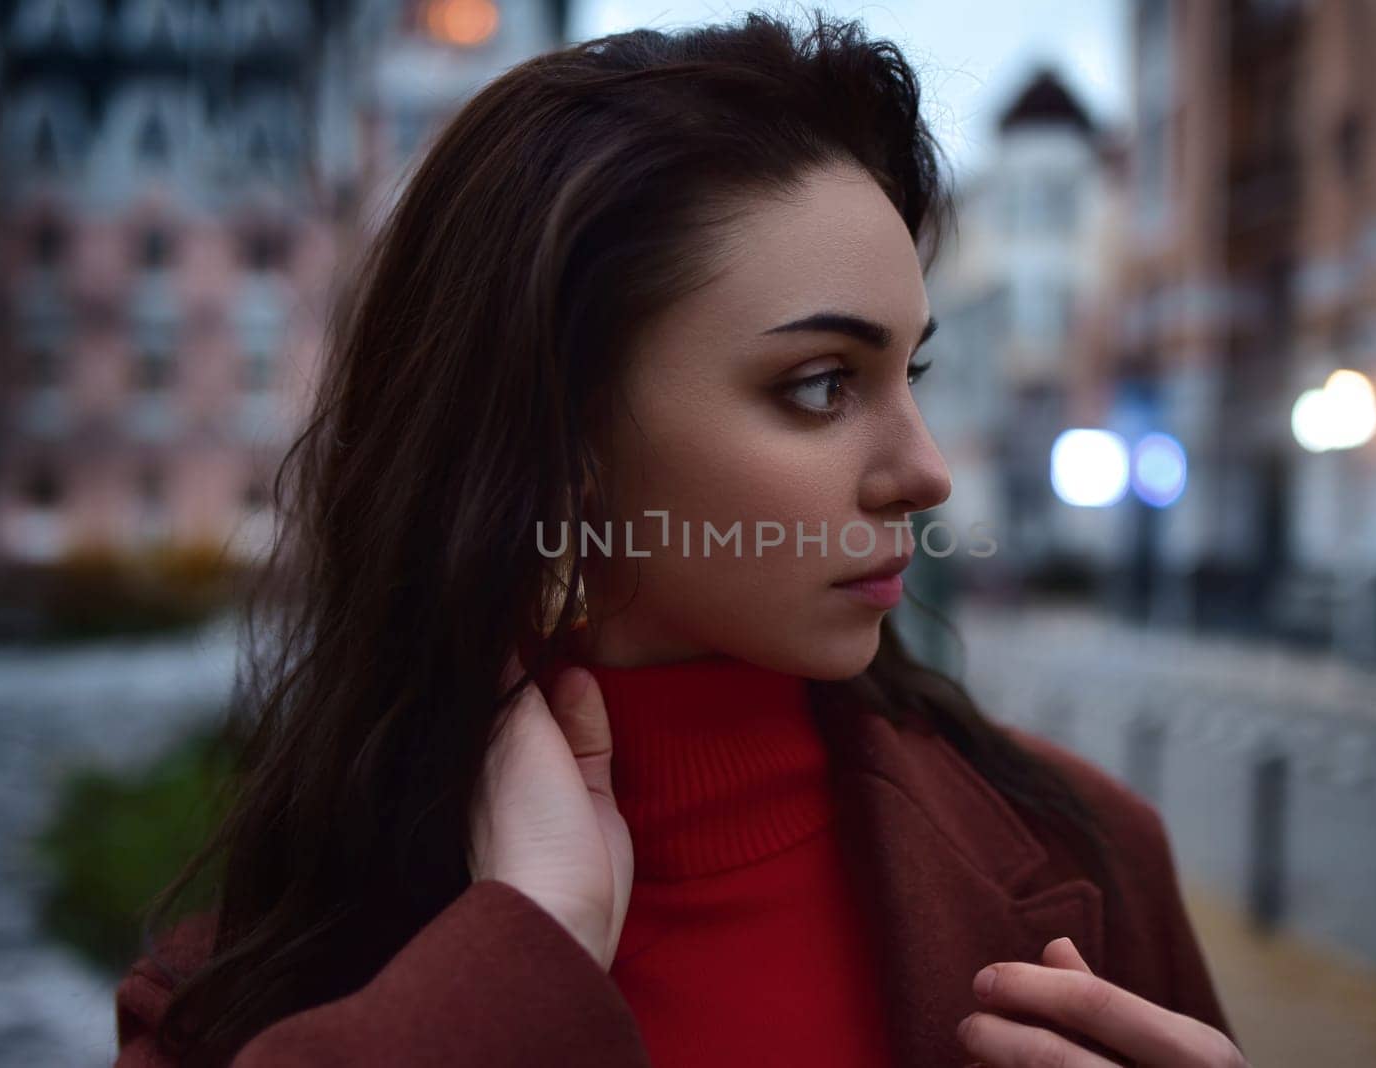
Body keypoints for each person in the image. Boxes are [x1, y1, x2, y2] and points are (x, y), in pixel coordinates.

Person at [113, 11, 1245, 1068]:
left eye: (912, 372)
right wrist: (526, 948)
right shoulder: (231, 997)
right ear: (557, 434)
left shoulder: (1090, 855)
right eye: (818, 385)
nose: (926, 473)